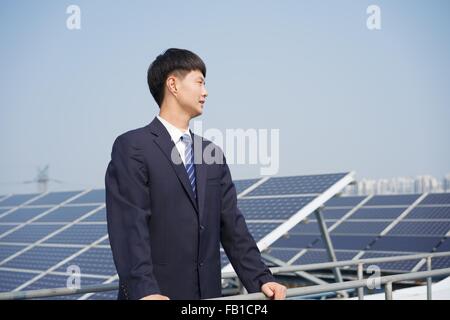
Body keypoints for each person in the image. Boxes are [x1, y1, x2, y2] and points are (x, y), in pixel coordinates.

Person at [105, 48, 287, 300]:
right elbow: (129, 227)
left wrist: (262, 279)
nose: (206, 92)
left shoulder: (211, 152)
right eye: (199, 82)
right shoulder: (133, 146)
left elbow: (232, 226)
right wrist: (145, 291)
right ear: (173, 84)